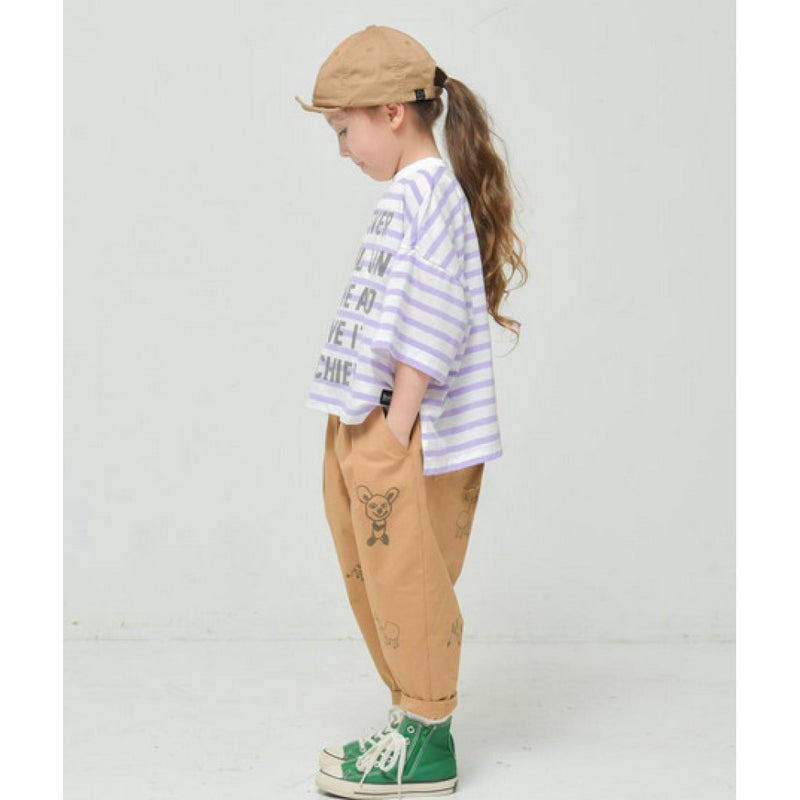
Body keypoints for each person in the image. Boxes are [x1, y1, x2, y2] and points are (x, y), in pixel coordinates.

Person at [295, 24, 527, 798]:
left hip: (406, 427)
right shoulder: (413, 194)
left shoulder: (427, 194)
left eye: (344, 129)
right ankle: (409, 719)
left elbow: (432, 316)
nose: (342, 150)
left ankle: (428, 740)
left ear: (392, 113)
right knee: (378, 578)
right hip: (374, 419)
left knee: (408, 582)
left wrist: (396, 429)